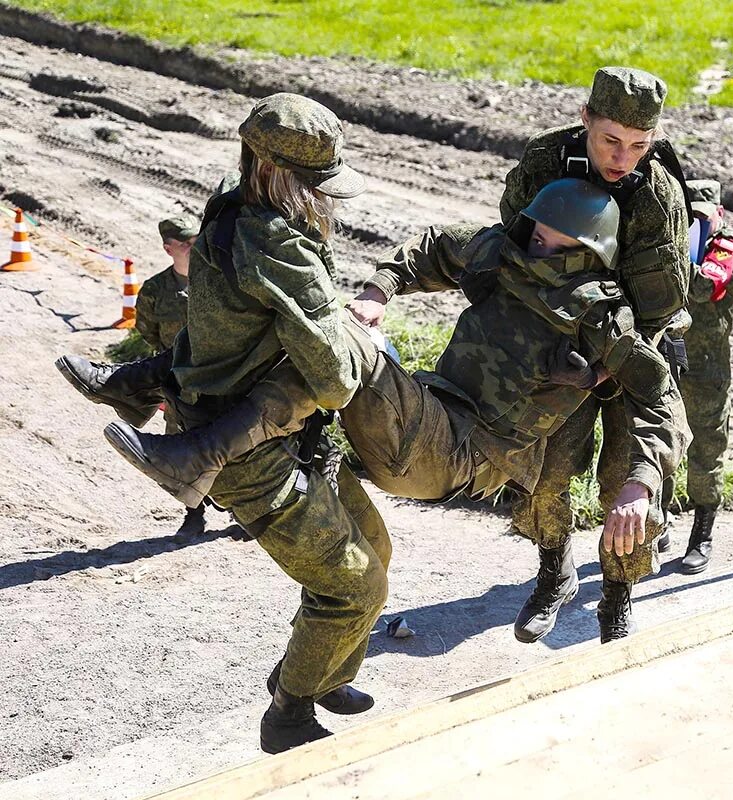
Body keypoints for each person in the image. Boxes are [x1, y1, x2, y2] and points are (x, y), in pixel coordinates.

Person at [59, 178, 687, 644]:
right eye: (537, 229)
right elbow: (434, 254)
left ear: (591, 249)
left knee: (338, 342)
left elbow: (658, 397)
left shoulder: (600, 317)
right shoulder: (506, 252)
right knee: (318, 327)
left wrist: (641, 479)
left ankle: (190, 443)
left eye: (556, 238)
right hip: (425, 420)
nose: (538, 240)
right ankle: (149, 392)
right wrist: (378, 290)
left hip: (466, 454)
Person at [59, 93, 387, 755]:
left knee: (373, 552)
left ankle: (321, 673)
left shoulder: (230, 203)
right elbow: (334, 380)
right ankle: (288, 713)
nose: (326, 199)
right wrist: (354, 338)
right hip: (253, 458)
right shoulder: (273, 242)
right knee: (353, 584)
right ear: (271, 171)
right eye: (314, 185)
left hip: (281, 434)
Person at [485, 65, 692, 643]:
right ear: (585, 122)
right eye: (610, 141)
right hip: (558, 347)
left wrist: (608, 366)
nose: (623, 158)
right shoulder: (545, 164)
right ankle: (554, 573)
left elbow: (660, 304)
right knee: (543, 476)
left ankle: (616, 593)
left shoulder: (658, 194)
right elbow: (516, 249)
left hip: (633, 352)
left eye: (639, 145)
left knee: (627, 483)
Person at [664, 179, 733, 574]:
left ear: (718, 213)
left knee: (705, 450)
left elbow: (703, 285)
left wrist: (666, 259)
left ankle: (703, 531)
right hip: (668, 357)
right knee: (660, 440)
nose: (695, 221)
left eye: (702, 215)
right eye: (689, 214)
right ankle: (658, 520)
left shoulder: (729, 246)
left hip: (707, 367)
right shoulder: (677, 236)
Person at [135, 214, 205, 535]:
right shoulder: (154, 291)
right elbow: (148, 332)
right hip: (179, 383)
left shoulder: (217, 281)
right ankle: (194, 513)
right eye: (187, 243)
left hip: (221, 377)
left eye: (197, 240)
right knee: (180, 448)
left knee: (234, 443)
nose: (194, 247)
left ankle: (239, 513)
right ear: (168, 249)